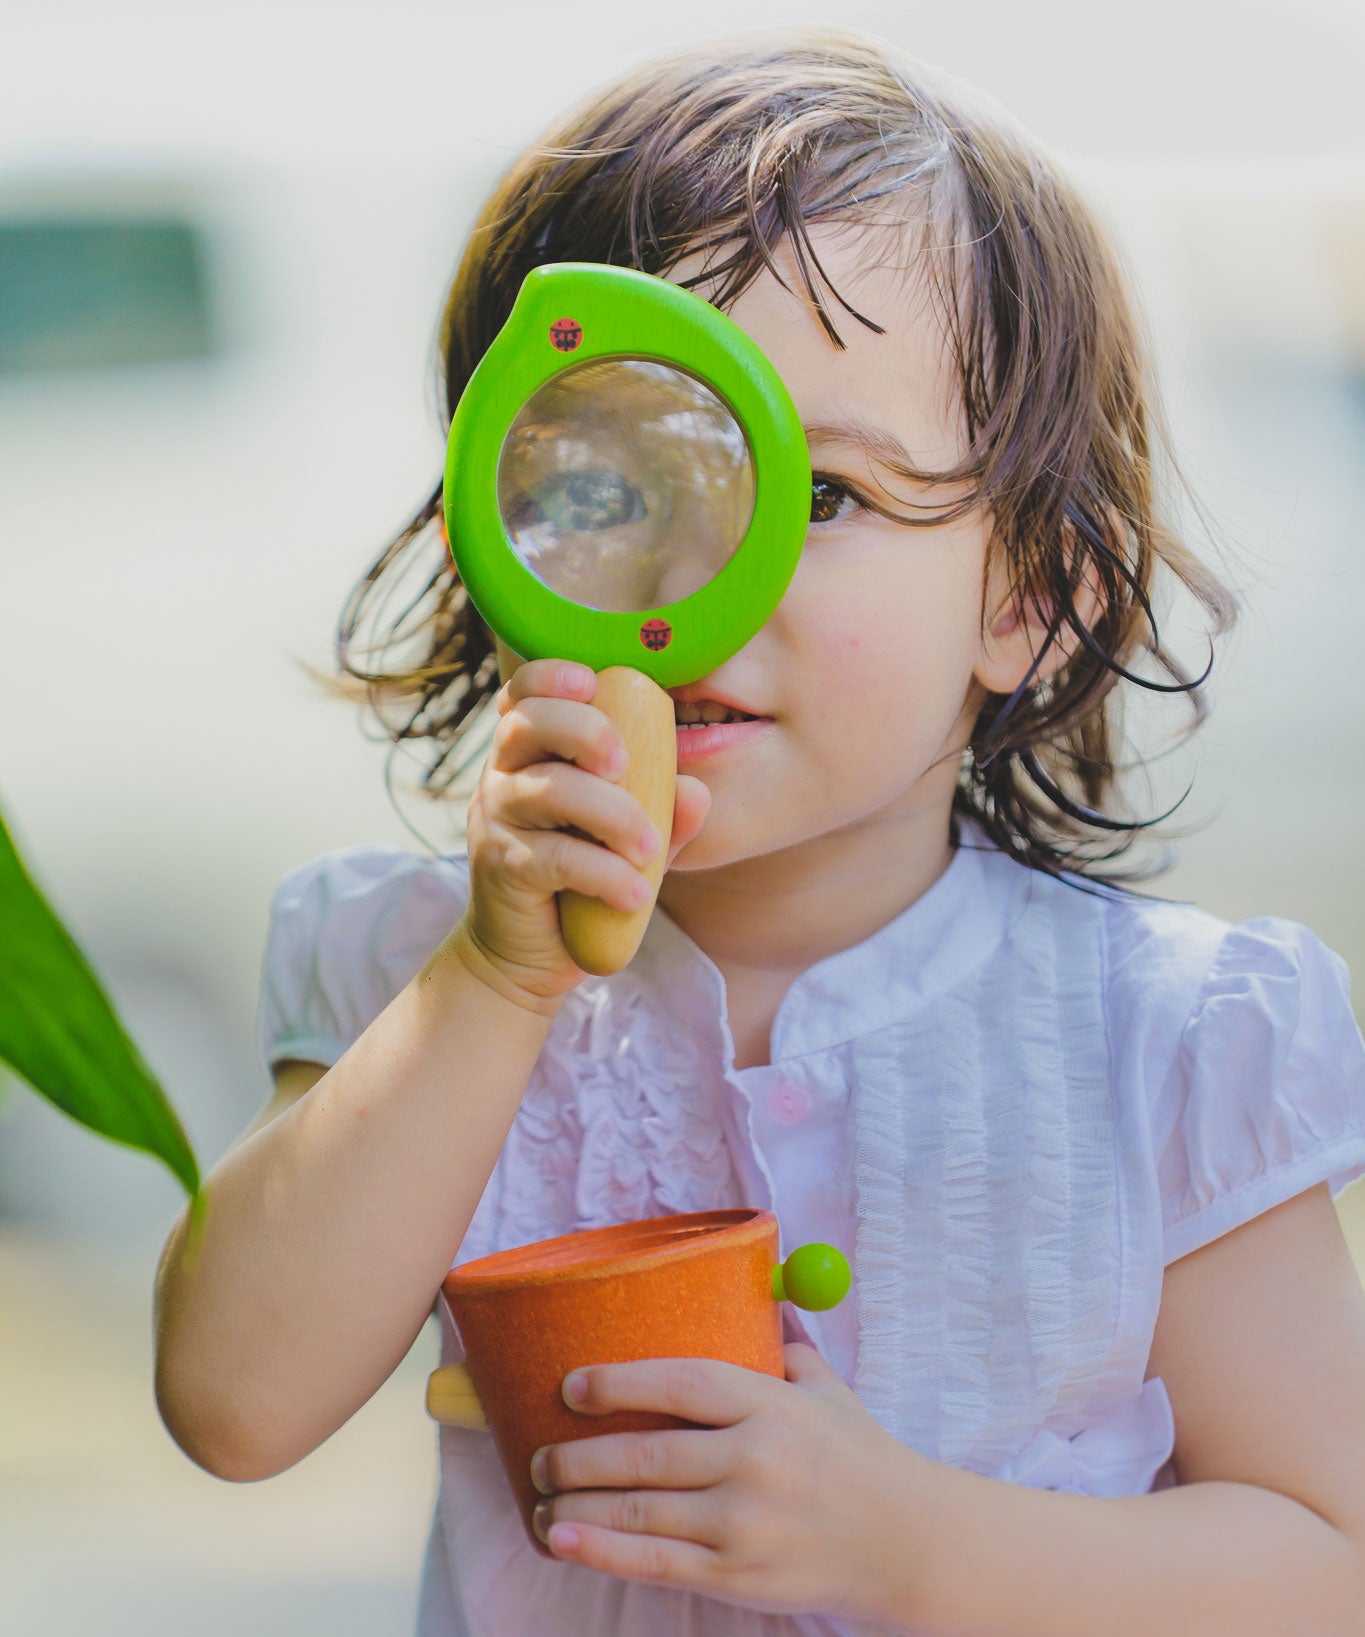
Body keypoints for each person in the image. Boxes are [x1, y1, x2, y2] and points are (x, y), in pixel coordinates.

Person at [152, 25, 1365, 1637]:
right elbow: (234, 1406)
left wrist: (914, 1546)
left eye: (827, 496)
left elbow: (1326, 1562)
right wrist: (491, 988)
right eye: (598, 481)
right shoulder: (405, 973)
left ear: (1031, 597)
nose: (691, 579)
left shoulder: (1164, 1044)